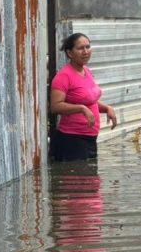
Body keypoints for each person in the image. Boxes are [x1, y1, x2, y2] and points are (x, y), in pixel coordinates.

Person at [50, 33, 117, 161]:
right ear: (70, 53)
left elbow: (89, 101)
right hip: (72, 140)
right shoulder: (63, 76)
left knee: (91, 179)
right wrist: (81, 109)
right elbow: (55, 106)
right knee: (80, 179)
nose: (86, 52)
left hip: (90, 138)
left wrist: (107, 108)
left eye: (88, 47)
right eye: (80, 48)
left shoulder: (86, 71)